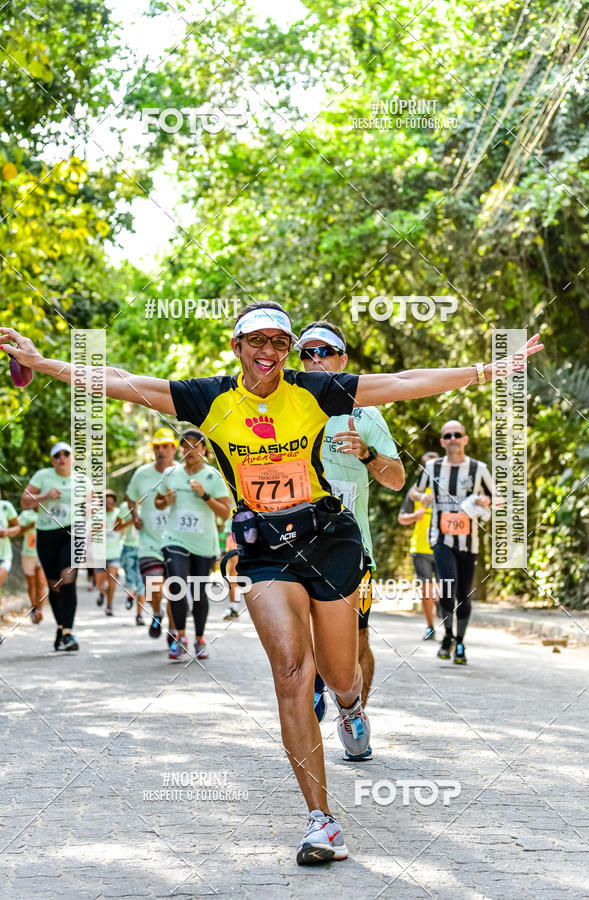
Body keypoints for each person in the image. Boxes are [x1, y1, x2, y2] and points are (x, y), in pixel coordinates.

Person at [0, 312, 542, 865]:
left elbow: (402, 383)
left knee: (340, 673)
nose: (270, 351)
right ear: (236, 345)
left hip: (328, 537)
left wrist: (483, 370)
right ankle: (321, 821)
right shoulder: (207, 398)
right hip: (264, 549)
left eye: (280, 342)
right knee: (291, 671)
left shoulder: (314, 390)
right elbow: (122, 381)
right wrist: (41, 364)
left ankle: (351, 706)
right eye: (258, 340)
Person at [297, 320, 405, 760]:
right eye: (307, 353)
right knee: (300, 640)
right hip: (294, 548)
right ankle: (316, 694)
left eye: (326, 351)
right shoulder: (282, 410)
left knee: (355, 641)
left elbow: (397, 480)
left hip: (352, 551)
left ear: (343, 360)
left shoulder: (365, 413)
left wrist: (368, 453)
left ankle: (353, 710)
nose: (316, 359)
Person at [411, 420, 497, 665]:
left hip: (469, 542)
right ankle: (447, 636)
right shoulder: (432, 466)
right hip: (440, 538)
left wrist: (485, 501)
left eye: (457, 434)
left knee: (463, 593)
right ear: (442, 441)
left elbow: (496, 497)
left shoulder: (478, 469)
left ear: (465, 439)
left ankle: (460, 641)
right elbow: (414, 491)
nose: (452, 439)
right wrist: (423, 497)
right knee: (447, 588)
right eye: (447, 435)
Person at [155, 428, 231, 660]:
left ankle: (199, 638)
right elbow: (158, 502)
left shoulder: (213, 476)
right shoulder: (171, 473)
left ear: (204, 450)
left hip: (204, 544)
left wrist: (205, 495)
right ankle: (180, 638)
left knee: (199, 593)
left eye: (195, 446)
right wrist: (164, 500)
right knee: (177, 586)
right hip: (174, 539)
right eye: (185, 446)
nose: (190, 451)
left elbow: (226, 512)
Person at [20, 442, 81, 651]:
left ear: (72, 457)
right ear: (52, 460)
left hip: (72, 532)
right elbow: (24, 501)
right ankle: (61, 627)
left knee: (68, 577)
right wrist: (45, 496)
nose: (61, 458)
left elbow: (93, 505)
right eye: (57, 455)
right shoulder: (43, 476)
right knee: (54, 586)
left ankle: (69, 634)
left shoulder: (82, 479)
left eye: (66, 454)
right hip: (46, 535)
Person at [125, 428, 177, 640]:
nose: (161, 451)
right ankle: (156, 612)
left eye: (165, 446)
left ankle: (174, 631)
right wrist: (135, 516)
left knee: (175, 589)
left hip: (176, 542)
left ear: (174, 448)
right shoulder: (142, 474)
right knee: (153, 584)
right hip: (148, 541)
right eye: (157, 447)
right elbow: (130, 497)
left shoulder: (181, 474)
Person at [397, 451, 440, 640]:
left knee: (442, 590)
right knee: (426, 590)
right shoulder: (415, 493)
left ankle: (441, 611)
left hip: (443, 547)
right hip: (420, 548)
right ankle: (430, 626)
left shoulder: (446, 490)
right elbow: (401, 518)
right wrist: (415, 516)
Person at [115, 495, 145, 624]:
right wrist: (130, 523)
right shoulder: (124, 507)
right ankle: (130, 595)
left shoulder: (149, 507)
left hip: (144, 549)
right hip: (128, 548)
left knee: (141, 582)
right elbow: (116, 527)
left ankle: (139, 615)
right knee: (131, 579)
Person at [93, 490, 123, 616]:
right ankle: (101, 592)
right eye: (106, 502)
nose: (109, 504)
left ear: (114, 503)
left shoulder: (119, 514)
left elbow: (123, 529)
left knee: (112, 581)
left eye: (111, 502)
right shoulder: (97, 515)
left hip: (115, 553)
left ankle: (109, 606)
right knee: (99, 583)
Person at [17, 507, 48, 623]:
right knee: (31, 584)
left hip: (43, 553)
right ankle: (34, 606)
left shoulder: (48, 513)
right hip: (28, 553)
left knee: (40, 582)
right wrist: (29, 526)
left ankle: (39, 610)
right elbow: (17, 531)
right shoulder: (26, 514)